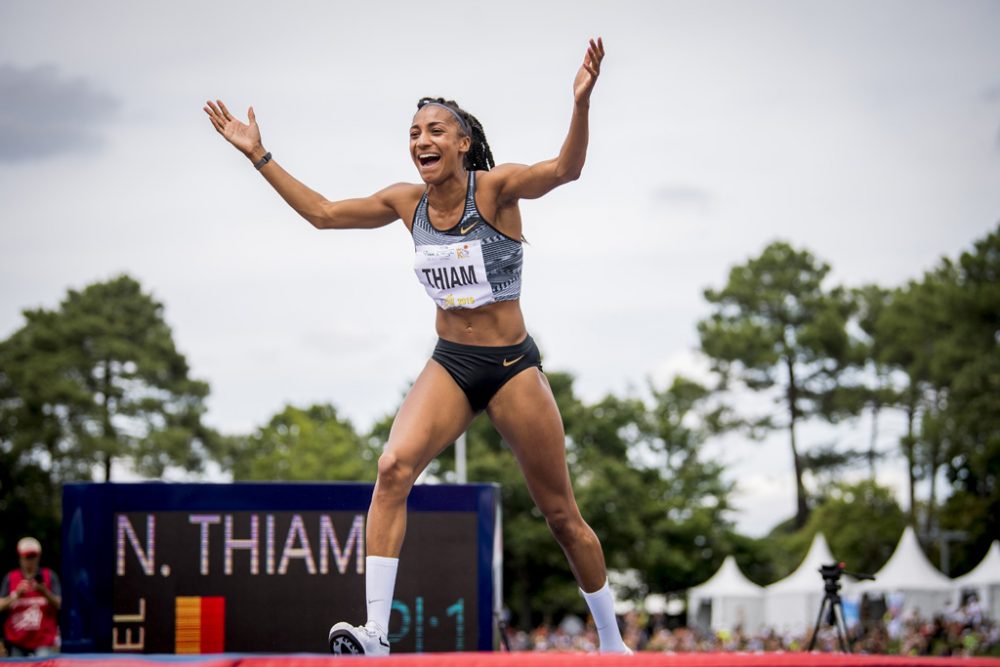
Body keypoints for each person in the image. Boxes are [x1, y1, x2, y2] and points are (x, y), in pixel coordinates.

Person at [204, 37, 631, 656]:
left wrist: (582, 104)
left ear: (462, 142)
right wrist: (259, 155)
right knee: (392, 469)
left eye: (435, 130)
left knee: (562, 516)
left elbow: (566, 170)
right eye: (413, 132)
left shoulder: (497, 190)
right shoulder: (408, 202)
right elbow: (323, 213)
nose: (421, 141)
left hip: (511, 366)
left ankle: (615, 644)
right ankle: (375, 632)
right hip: (451, 364)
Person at [0, 537, 61, 657]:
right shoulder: (11, 578)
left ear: (39, 556)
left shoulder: (49, 576)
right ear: (20, 557)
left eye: (33, 556)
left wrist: (45, 592)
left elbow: (60, 604)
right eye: (27, 557)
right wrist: (16, 595)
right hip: (17, 639)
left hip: (43, 639)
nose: (30, 561)